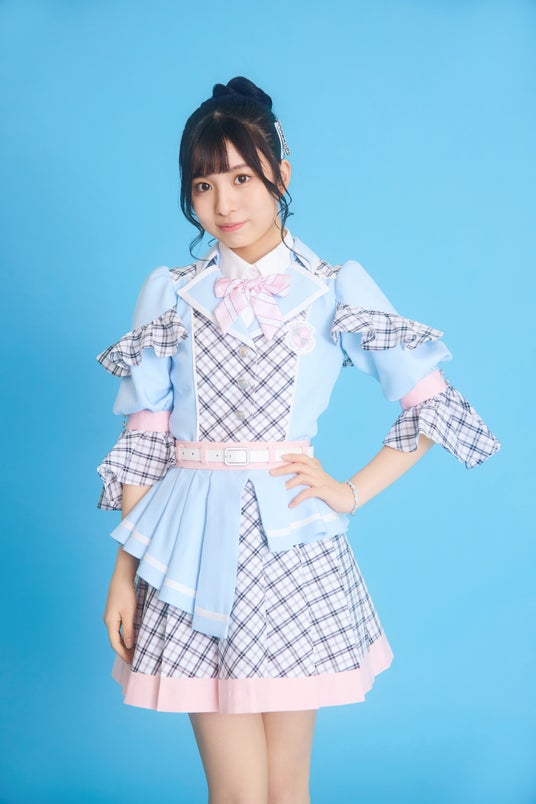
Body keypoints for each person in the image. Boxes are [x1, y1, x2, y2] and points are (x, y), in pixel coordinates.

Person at [96, 76, 500, 803]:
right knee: (237, 793)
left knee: (287, 790)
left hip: (292, 553)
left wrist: (349, 492)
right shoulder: (171, 292)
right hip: (189, 553)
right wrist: (125, 573)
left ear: (281, 174)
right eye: (203, 184)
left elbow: (429, 402)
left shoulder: (335, 288)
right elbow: (146, 440)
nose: (225, 204)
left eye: (242, 178)